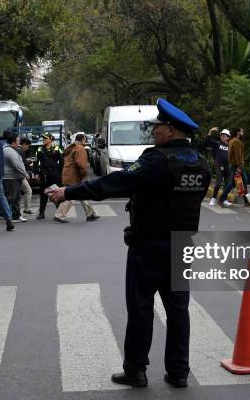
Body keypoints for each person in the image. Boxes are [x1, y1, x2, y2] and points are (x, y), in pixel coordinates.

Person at [47, 98, 211, 389]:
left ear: (171, 130)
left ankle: (135, 370)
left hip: (148, 245)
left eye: (157, 126)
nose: (153, 130)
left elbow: (115, 183)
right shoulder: (199, 163)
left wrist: (68, 192)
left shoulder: (156, 160)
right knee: (178, 310)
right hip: (182, 244)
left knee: (141, 308)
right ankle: (179, 372)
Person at [54, 133, 100, 223]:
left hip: (69, 174)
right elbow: (81, 164)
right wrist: (83, 175)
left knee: (83, 194)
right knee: (71, 196)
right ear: (83, 140)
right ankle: (59, 215)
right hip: (74, 176)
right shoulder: (80, 148)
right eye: (85, 139)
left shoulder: (72, 147)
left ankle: (90, 213)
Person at [33, 133, 63, 219]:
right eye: (43, 138)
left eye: (45, 138)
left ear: (50, 139)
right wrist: (36, 173)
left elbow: (62, 162)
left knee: (57, 193)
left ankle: (60, 213)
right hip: (44, 175)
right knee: (43, 194)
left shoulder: (57, 148)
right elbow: (35, 162)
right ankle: (41, 213)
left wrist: (60, 174)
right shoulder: (39, 149)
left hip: (55, 174)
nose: (43, 140)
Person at [2, 131, 28, 223]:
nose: (19, 143)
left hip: (14, 177)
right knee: (10, 198)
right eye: (17, 141)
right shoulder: (9, 151)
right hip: (10, 178)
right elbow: (17, 164)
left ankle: (16, 216)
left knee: (17, 198)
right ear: (13, 142)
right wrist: (25, 174)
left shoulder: (10, 150)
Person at [218, 127, 247, 208]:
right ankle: (221, 199)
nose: (243, 131)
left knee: (239, 183)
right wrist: (239, 167)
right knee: (241, 182)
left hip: (234, 165)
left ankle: (246, 201)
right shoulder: (236, 141)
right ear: (238, 132)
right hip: (236, 166)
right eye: (241, 130)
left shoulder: (231, 140)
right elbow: (237, 155)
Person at [209, 129, 229, 206]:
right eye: (221, 136)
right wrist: (210, 132)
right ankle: (213, 198)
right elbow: (208, 140)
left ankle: (224, 199)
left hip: (227, 167)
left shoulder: (230, 146)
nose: (222, 137)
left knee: (227, 184)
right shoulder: (218, 144)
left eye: (224, 136)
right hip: (219, 165)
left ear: (228, 137)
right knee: (218, 182)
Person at [18, 138, 34, 215]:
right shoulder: (21, 151)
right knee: (28, 191)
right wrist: (30, 161)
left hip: (15, 175)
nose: (28, 148)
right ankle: (26, 209)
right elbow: (22, 164)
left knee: (15, 194)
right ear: (24, 144)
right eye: (28, 146)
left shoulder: (15, 150)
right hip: (19, 175)